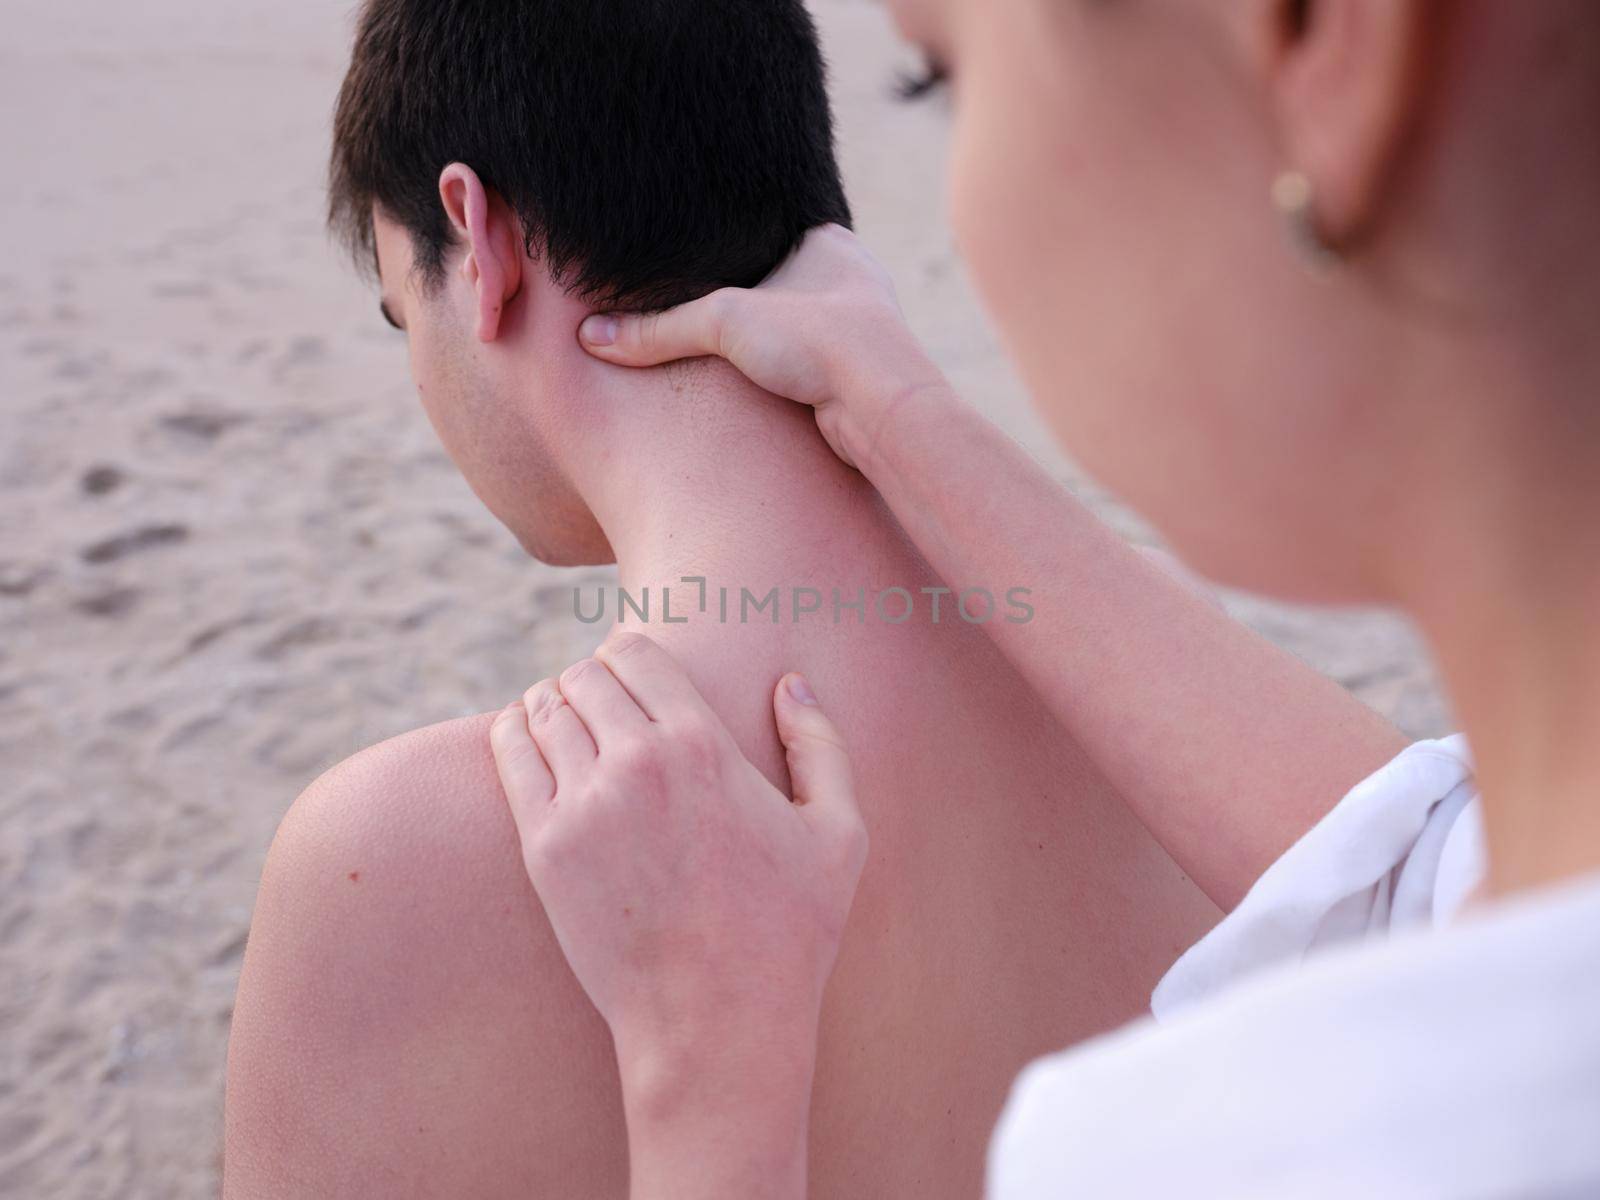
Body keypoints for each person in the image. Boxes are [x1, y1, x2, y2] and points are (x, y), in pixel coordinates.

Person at [217, 1, 1395, 1195]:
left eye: (398, 312)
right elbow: (1447, 868)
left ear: (478, 241)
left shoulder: (385, 868)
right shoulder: (1232, 763)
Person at [486, 0, 1600, 1195]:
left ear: (1329, 42)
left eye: (944, 77)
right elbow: (1428, 873)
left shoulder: (1226, 1156)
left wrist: (704, 1093)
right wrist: (905, 420)